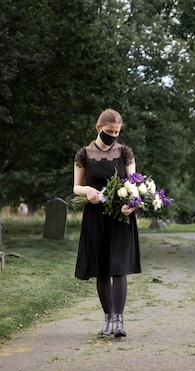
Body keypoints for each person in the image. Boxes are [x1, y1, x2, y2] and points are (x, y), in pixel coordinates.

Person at [73, 109, 141, 338]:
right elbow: (76, 186)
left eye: (117, 132)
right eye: (109, 131)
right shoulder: (83, 154)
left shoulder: (125, 152)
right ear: (98, 128)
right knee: (102, 269)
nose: (113, 135)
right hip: (95, 216)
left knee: (118, 266)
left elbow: (134, 183)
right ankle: (108, 320)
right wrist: (87, 191)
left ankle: (119, 322)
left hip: (121, 215)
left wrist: (133, 203)